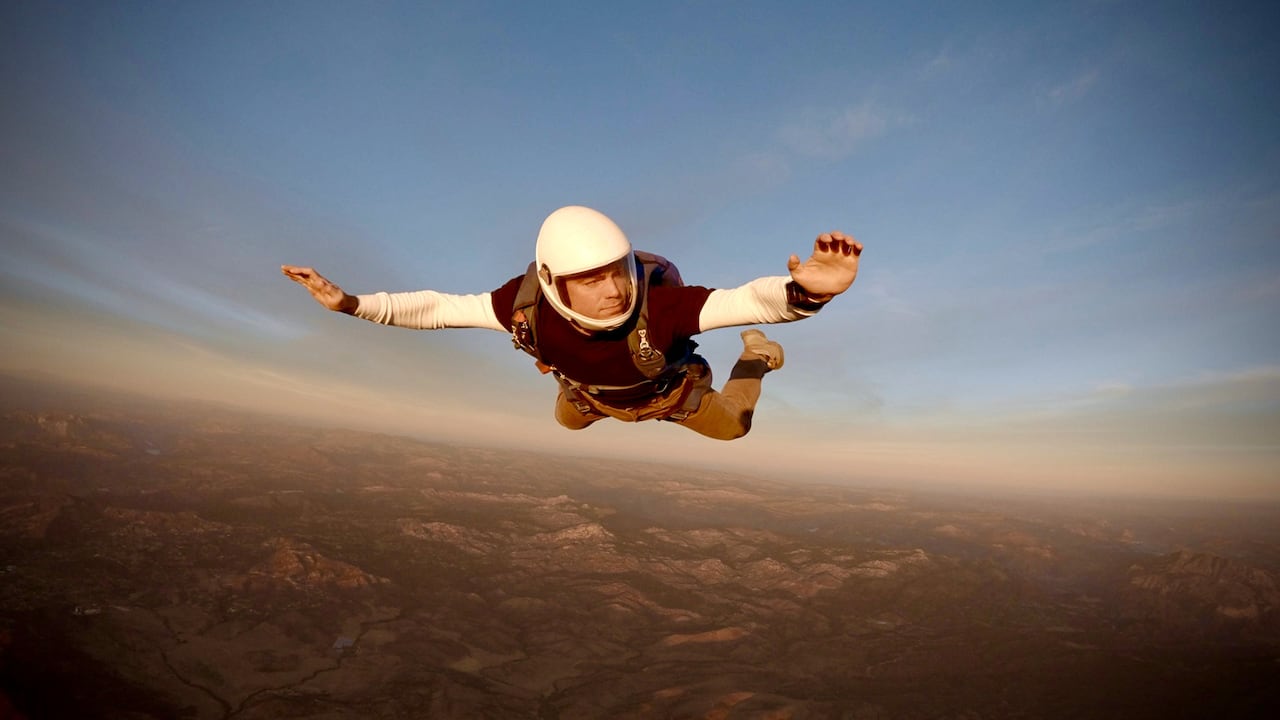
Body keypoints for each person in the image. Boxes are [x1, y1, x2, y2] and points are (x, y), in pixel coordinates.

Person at [282, 205, 862, 440]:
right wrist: (350, 303)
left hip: (666, 395)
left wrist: (804, 294)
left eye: (618, 272)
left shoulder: (660, 309)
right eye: (590, 278)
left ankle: (756, 358)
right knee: (569, 422)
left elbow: (746, 301)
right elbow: (438, 308)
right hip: (592, 393)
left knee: (734, 426)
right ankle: (583, 395)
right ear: (554, 281)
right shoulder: (521, 305)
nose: (612, 291)